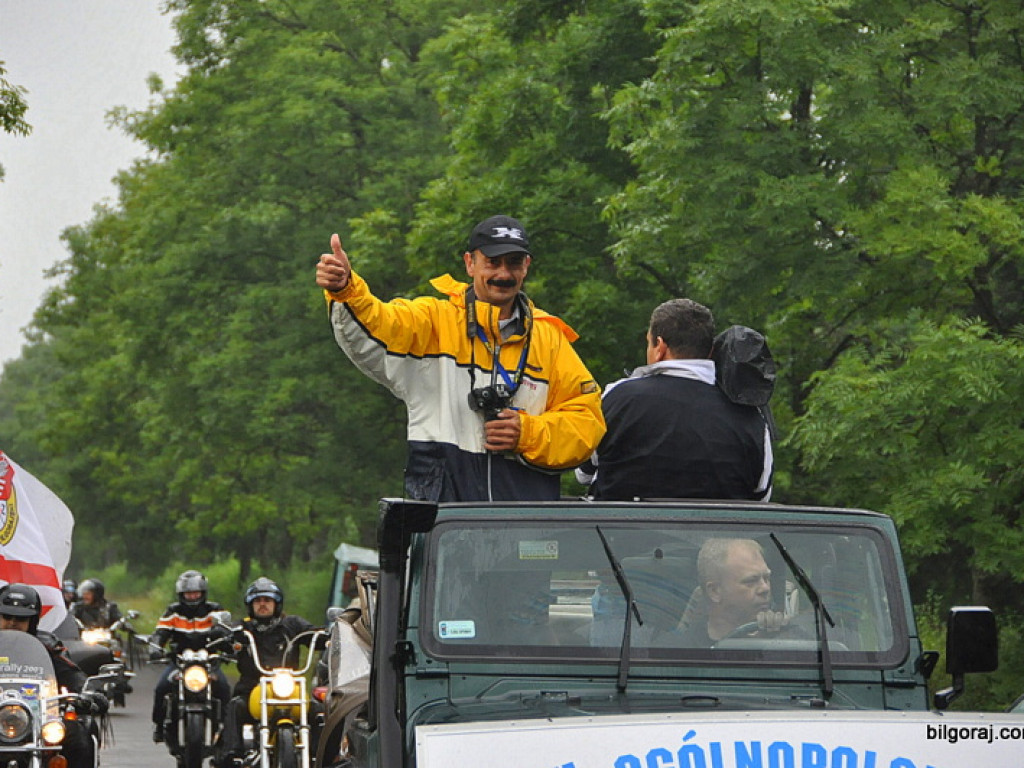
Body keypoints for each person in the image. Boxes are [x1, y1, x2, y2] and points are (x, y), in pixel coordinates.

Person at [315, 215, 605, 501]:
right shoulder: (433, 322)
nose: (503, 274)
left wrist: (527, 433)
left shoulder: (549, 338)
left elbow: (587, 423)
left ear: (526, 266)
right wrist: (345, 289)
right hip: (447, 525)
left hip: (524, 527)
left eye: (514, 262)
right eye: (492, 262)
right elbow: (377, 325)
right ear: (470, 263)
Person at [576, 298, 772, 500]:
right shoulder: (750, 415)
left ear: (659, 347)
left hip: (621, 530)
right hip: (720, 531)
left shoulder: (617, 397)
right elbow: (762, 494)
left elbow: (583, 473)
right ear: (710, 351)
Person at [0, 583, 107, 768]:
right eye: (6, 616)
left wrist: (87, 692)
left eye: (21, 618)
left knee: (78, 735)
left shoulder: (47, 646)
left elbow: (71, 674)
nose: (12, 622)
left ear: (32, 621)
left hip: (40, 720)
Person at [217, 577, 318, 767]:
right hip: (252, 687)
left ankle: (323, 757)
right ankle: (232, 756)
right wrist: (223, 637)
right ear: (250, 605)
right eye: (257, 601)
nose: (262, 605)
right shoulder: (243, 627)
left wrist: (327, 637)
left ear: (276, 604)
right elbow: (221, 634)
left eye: (267, 600)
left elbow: (314, 633)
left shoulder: (292, 624)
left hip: (289, 687)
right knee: (234, 706)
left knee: (318, 710)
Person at [150, 569, 231, 743]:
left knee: (224, 688)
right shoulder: (173, 611)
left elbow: (227, 632)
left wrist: (225, 640)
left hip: (209, 662)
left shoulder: (214, 610)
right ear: (181, 594)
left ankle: (227, 729)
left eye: (196, 593)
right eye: (188, 593)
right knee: (161, 687)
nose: (192, 597)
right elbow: (160, 632)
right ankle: (159, 726)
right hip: (180, 662)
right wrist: (155, 647)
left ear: (203, 593)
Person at [679, 539, 788, 646]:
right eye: (750, 581)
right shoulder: (677, 652)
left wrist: (770, 645)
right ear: (715, 591)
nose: (765, 588)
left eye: (767, 578)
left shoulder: (791, 641)